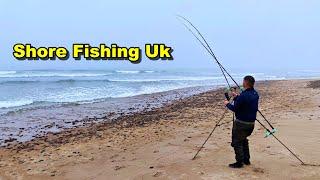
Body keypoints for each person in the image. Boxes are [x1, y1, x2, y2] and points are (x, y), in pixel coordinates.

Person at [223, 75, 259, 168]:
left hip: (241, 124)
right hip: (251, 124)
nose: (242, 83)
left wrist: (227, 104)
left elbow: (235, 108)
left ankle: (239, 162)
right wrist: (236, 97)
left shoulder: (244, 95)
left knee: (237, 142)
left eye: (243, 81)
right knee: (243, 140)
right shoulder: (255, 94)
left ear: (245, 83)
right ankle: (246, 160)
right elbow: (245, 103)